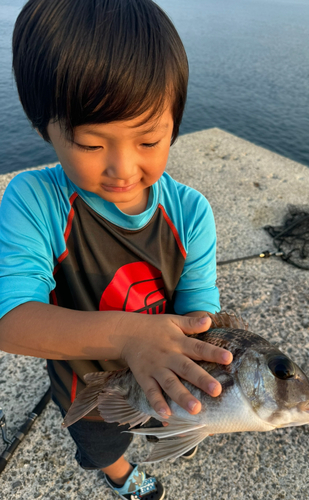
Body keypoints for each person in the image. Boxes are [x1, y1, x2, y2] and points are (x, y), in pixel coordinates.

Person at [0, 0, 233, 499]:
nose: (123, 169)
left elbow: (199, 309)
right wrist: (129, 337)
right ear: (45, 127)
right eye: (91, 144)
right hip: (88, 387)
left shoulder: (190, 213)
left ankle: (171, 435)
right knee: (103, 445)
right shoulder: (34, 201)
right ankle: (123, 477)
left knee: (176, 416)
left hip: (164, 375)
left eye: (149, 140)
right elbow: (10, 320)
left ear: (175, 122)